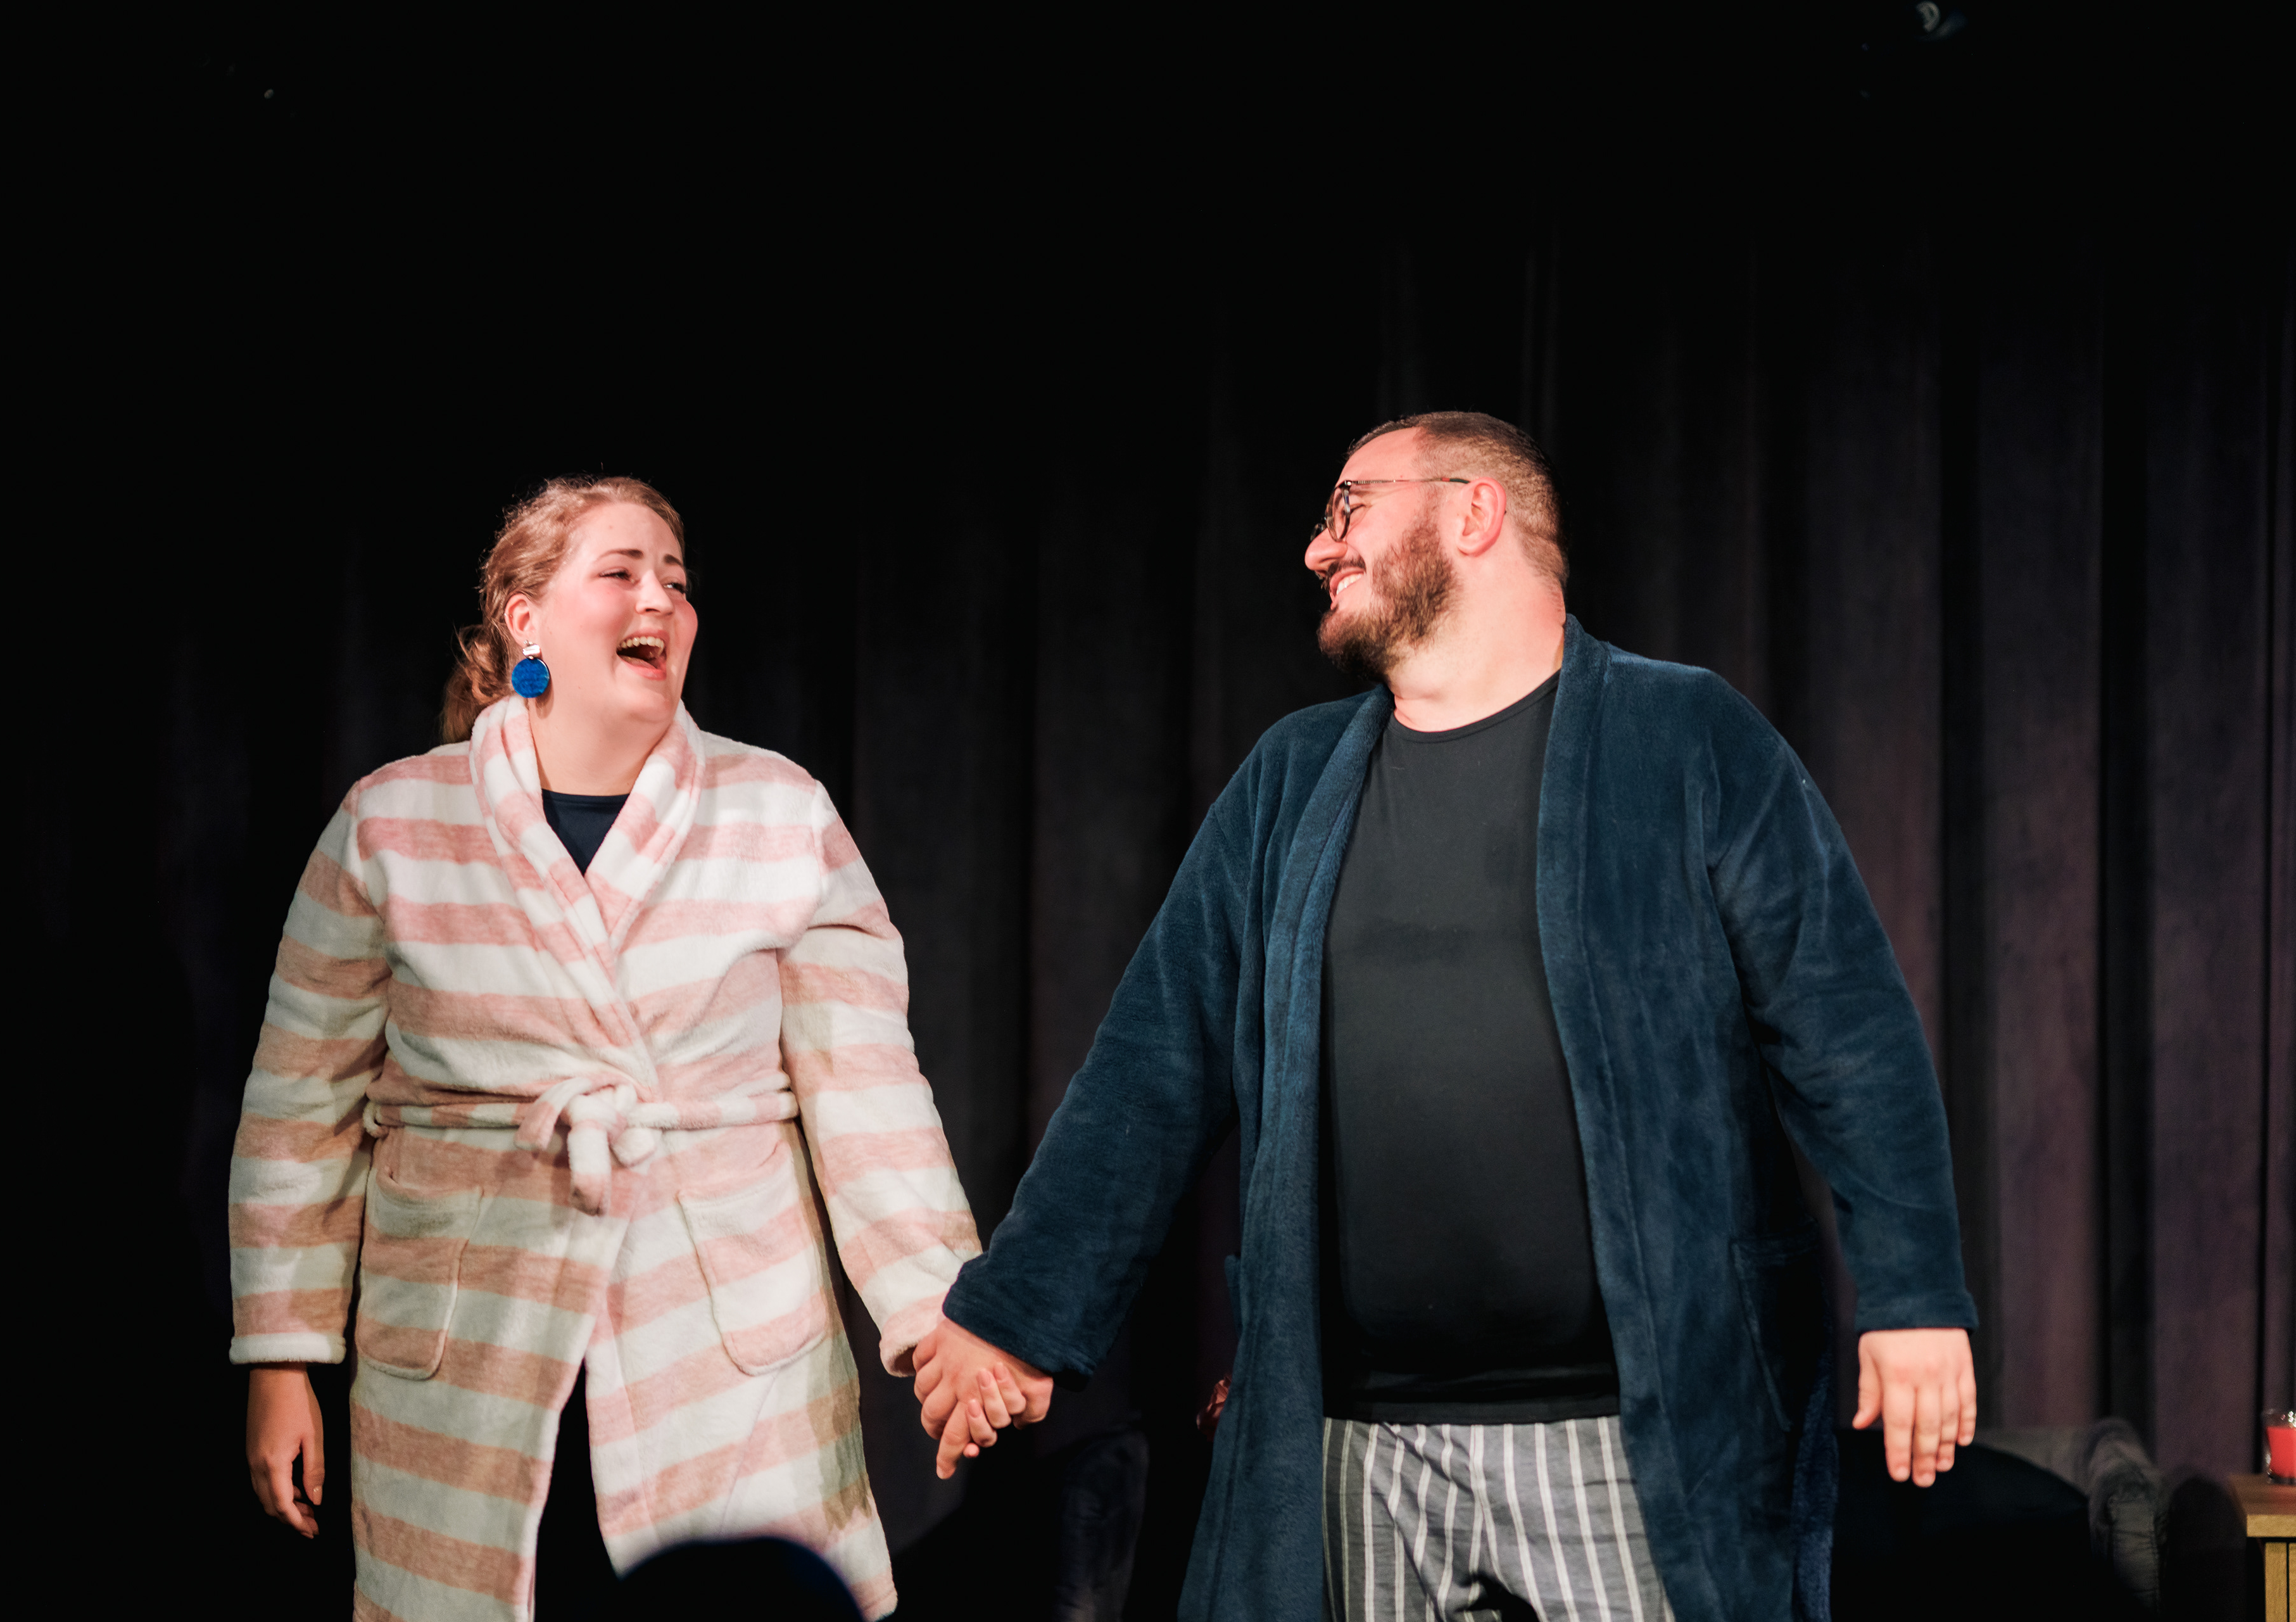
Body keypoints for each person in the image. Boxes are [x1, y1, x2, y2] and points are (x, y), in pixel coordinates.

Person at [912, 413, 1979, 1622]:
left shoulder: (1686, 737)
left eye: (1348, 507)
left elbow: (1848, 1030)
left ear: (1475, 512)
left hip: (1630, 1441)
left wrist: (1916, 1293)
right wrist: (1019, 1315)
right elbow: (1151, 1067)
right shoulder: (1290, 779)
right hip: (1362, 1447)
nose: (1319, 547)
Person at [232, 476, 1012, 1621]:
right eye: (622, 572)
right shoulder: (391, 824)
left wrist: (944, 1314)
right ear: (526, 618)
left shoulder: (780, 814)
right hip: (471, 1345)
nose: (661, 599)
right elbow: (302, 1101)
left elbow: (871, 1092)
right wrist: (281, 1355)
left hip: (721, 1355)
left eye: (678, 582)